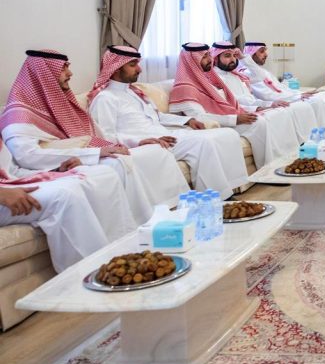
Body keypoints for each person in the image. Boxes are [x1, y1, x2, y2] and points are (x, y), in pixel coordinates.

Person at [1, 50, 188, 226]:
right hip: (66, 160)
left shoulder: (61, 104)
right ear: (43, 75)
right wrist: (94, 154)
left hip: (82, 154)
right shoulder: (20, 115)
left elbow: (97, 135)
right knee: (117, 163)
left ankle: (173, 212)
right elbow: (27, 156)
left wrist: (135, 142)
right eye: (63, 68)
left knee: (153, 152)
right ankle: (144, 222)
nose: (70, 73)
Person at [88, 45, 250, 199]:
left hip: (164, 135)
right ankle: (218, 197)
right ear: (116, 68)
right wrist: (138, 141)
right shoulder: (105, 99)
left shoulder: (134, 92)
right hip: (147, 144)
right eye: (133, 65)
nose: (139, 69)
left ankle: (227, 189)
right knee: (203, 143)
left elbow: (158, 116)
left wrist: (187, 120)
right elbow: (104, 137)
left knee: (222, 135)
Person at [0, 143, 130, 271]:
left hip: (7, 185)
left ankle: (125, 256)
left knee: (101, 174)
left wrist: (55, 172)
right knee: (63, 197)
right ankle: (93, 273)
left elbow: (11, 172)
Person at [168, 43, 297, 168]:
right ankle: (268, 168)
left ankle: (282, 162)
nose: (210, 59)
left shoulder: (211, 80)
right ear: (192, 61)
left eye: (209, 55)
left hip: (230, 115)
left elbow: (229, 103)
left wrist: (252, 109)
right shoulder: (184, 87)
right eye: (204, 56)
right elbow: (199, 117)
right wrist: (236, 118)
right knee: (259, 122)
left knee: (266, 118)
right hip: (215, 123)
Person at [210, 42, 313, 143]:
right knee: (275, 116)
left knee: (281, 113)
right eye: (227, 56)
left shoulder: (236, 75)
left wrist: (242, 57)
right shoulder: (216, 78)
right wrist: (264, 105)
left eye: (234, 55)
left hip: (253, 107)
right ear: (215, 58)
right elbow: (236, 100)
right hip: (238, 114)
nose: (233, 59)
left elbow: (261, 77)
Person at [238, 41, 325, 130]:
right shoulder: (246, 73)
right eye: (262, 51)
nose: (266, 54)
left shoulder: (263, 71)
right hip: (278, 102)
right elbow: (267, 96)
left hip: (287, 98)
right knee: (316, 101)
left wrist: (300, 93)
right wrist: (297, 97)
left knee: (324, 95)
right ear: (251, 53)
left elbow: (281, 88)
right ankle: (323, 132)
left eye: (265, 51)